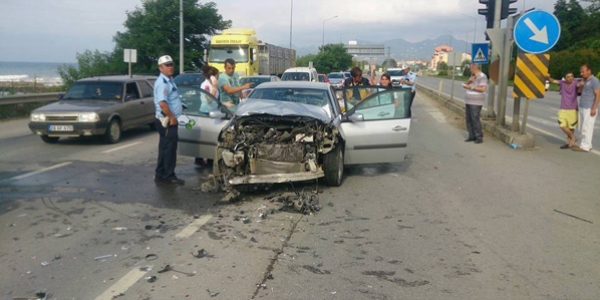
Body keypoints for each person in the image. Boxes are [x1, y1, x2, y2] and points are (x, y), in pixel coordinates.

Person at [153, 55, 184, 185]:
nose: (170, 67)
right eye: (167, 65)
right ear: (160, 68)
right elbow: (162, 103)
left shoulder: (170, 80)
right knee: (169, 149)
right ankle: (169, 175)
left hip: (167, 119)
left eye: (171, 64)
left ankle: (160, 174)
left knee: (164, 148)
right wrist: (172, 117)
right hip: (167, 120)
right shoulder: (163, 83)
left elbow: (172, 99)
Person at [546, 72, 579, 149]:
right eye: (568, 77)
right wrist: (548, 77)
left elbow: (581, 84)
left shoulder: (575, 83)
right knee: (562, 125)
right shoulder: (562, 83)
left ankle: (569, 143)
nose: (570, 78)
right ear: (565, 78)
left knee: (571, 128)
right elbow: (553, 81)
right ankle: (573, 137)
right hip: (563, 109)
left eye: (571, 76)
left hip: (573, 110)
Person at [572, 64, 600, 152]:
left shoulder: (594, 80)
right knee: (582, 126)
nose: (581, 73)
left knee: (587, 127)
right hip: (582, 105)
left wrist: (594, 108)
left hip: (589, 107)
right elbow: (576, 85)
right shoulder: (585, 80)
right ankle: (586, 144)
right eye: (581, 72)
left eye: (583, 71)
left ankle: (585, 146)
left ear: (589, 71)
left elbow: (598, 94)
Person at [462, 64, 488, 144]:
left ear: (475, 68)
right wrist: (469, 81)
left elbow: (483, 88)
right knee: (469, 119)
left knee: (474, 118)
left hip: (476, 101)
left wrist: (471, 87)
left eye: (471, 69)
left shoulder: (482, 76)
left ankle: (479, 136)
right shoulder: (473, 77)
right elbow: (465, 86)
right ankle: (471, 135)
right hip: (469, 100)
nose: (470, 70)